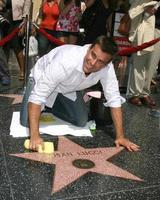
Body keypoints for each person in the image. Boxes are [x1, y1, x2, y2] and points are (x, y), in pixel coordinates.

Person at [20, 35, 140, 152]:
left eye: (100, 62)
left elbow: (114, 99)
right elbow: (38, 96)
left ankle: (50, 106)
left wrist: (120, 137)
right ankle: (46, 105)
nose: (92, 63)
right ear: (89, 48)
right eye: (93, 55)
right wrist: (35, 136)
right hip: (39, 79)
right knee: (27, 123)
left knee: (81, 121)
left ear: (106, 64)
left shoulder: (107, 69)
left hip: (67, 89)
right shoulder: (66, 60)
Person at [127, 0, 158, 107]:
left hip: (157, 31)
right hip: (144, 30)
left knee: (151, 66)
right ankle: (135, 94)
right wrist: (145, 8)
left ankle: (144, 93)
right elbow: (132, 11)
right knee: (139, 64)